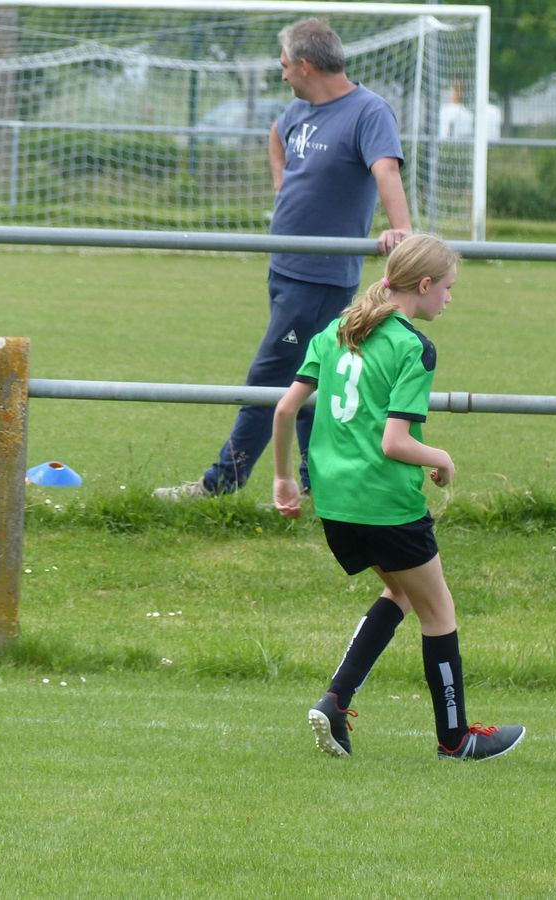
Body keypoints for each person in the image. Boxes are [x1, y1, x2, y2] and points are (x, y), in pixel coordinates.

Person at [272, 234, 525, 762]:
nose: (450, 298)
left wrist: (282, 479)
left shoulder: (339, 328)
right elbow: (395, 443)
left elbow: (284, 409)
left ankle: (335, 701)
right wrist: (442, 459)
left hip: (336, 502)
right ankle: (456, 739)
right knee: (439, 611)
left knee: (401, 593)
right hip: (386, 503)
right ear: (424, 285)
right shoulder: (413, 347)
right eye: (448, 287)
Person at [155, 17, 412, 501]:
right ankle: (322, 485)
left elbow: (386, 171)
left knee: (270, 377)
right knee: (311, 375)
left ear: (306, 65)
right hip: (285, 270)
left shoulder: (368, 112)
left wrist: (403, 232)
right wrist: (282, 183)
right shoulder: (298, 111)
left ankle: (219, 483)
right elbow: (277, 135)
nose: (282, 74)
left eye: (284, 65)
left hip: (321, 277)